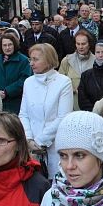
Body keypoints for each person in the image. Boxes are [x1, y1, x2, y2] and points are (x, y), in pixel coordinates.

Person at [19, 43, 73, 179]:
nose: (31, 63)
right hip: (30, 148)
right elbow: (23, 114)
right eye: (30, 59)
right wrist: (29, 139)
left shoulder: (63, 82)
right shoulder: (28, 82)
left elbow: (63, 117)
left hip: (54, 146)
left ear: (48, 60)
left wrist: (40, 141)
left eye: (35, 59)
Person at [0, 33, 32, 114]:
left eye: (10, 45)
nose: (7, 48)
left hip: (15, 103)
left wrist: (7, 92)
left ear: (14, 45)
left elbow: (24, 80)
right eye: (4, 45)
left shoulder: (23, 61)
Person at [58, 29, 95, 111]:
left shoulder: (96, 61)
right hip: (70, 104)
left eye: (83, 44)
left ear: (89, 44)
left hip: (89, 106)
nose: (80, 47)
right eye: (78, 44)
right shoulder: (67, 60)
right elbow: (58, 82)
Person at [78, 40, 103, 111]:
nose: (100, 55)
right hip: (91, 115)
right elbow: (82, 99)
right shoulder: (86, 75)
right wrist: (94, 112)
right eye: (97, 52)